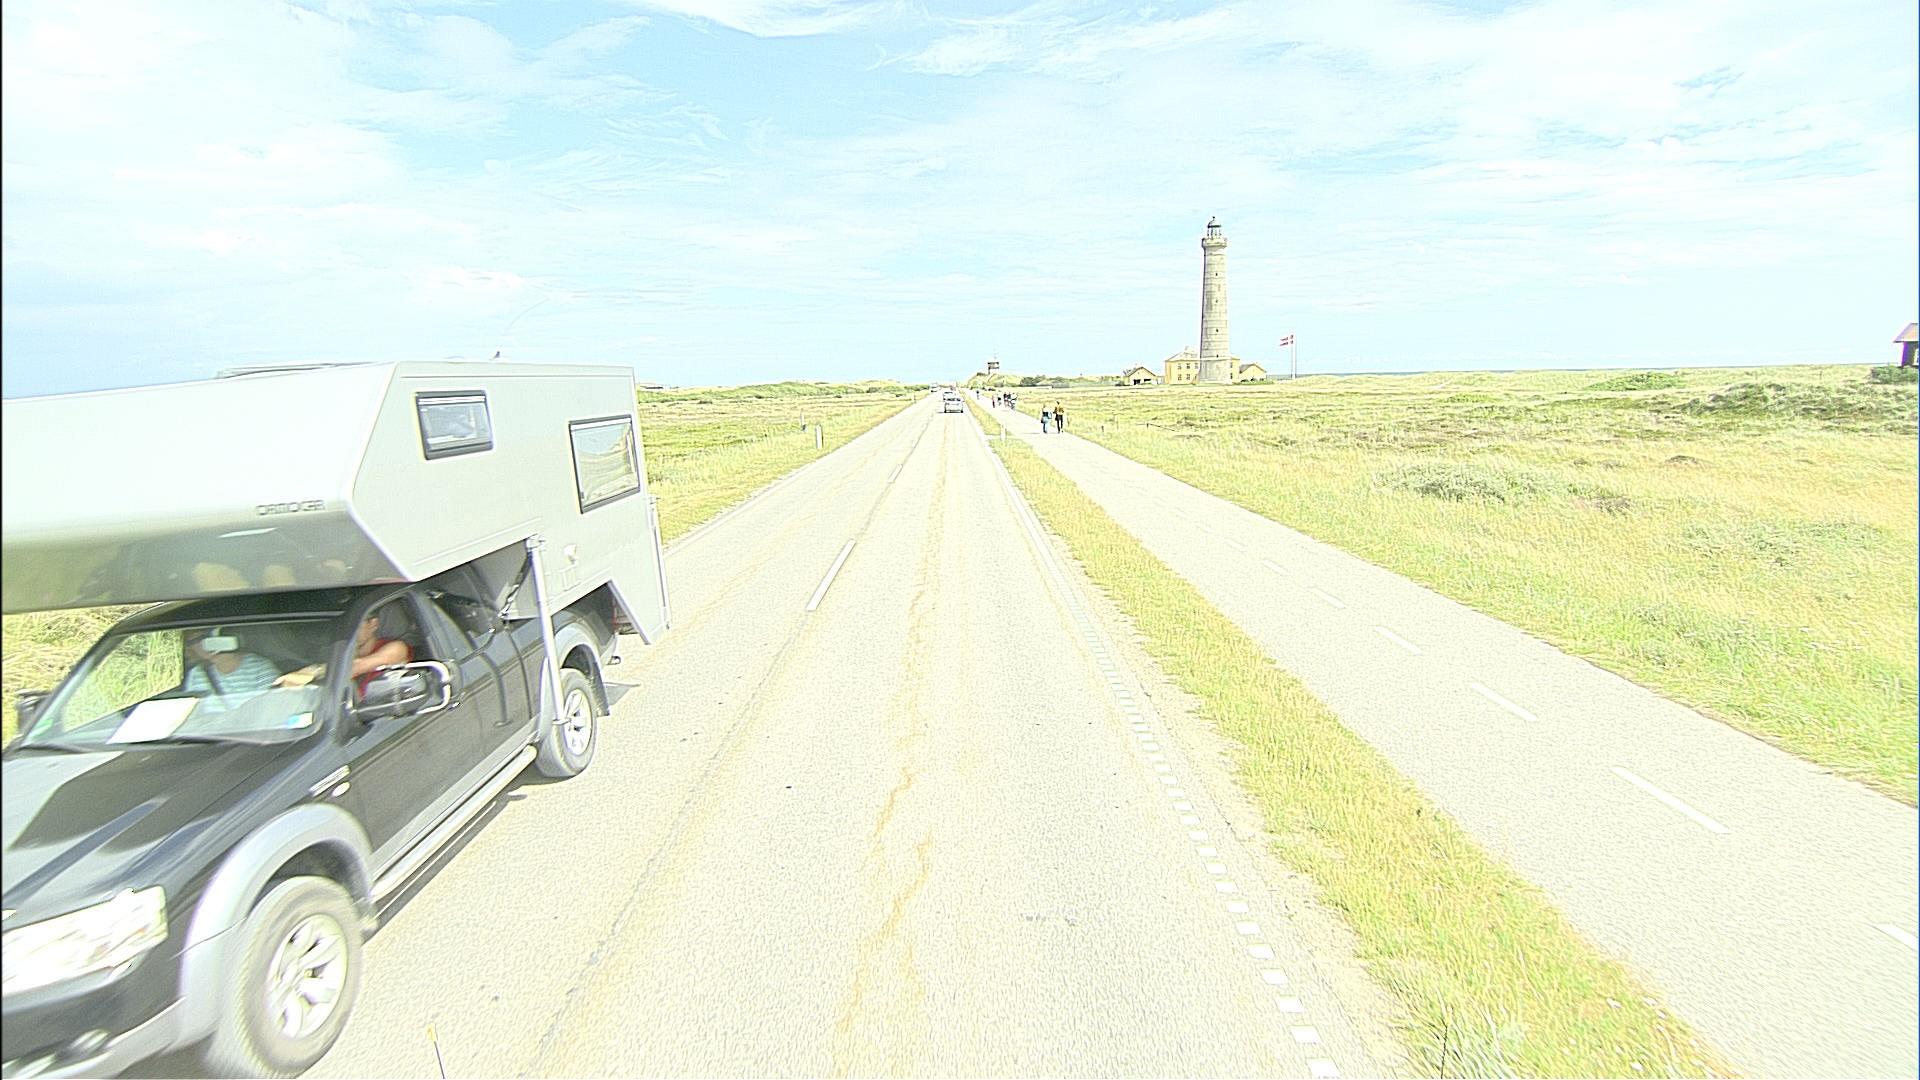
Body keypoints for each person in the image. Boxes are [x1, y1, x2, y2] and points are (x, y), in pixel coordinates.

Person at [276, 610, 412, 691]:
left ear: (373, 624)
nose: (348, 631)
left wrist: (311, 674)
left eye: (355, 624)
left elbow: (357, 666)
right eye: (343, 625)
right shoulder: (336, 653)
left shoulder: (396, 647)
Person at [183, 628, 281, 706]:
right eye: (194, 641)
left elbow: (269, 711)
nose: (204, 644)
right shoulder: (196, 674)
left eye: (204, 637)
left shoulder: (260, 668)